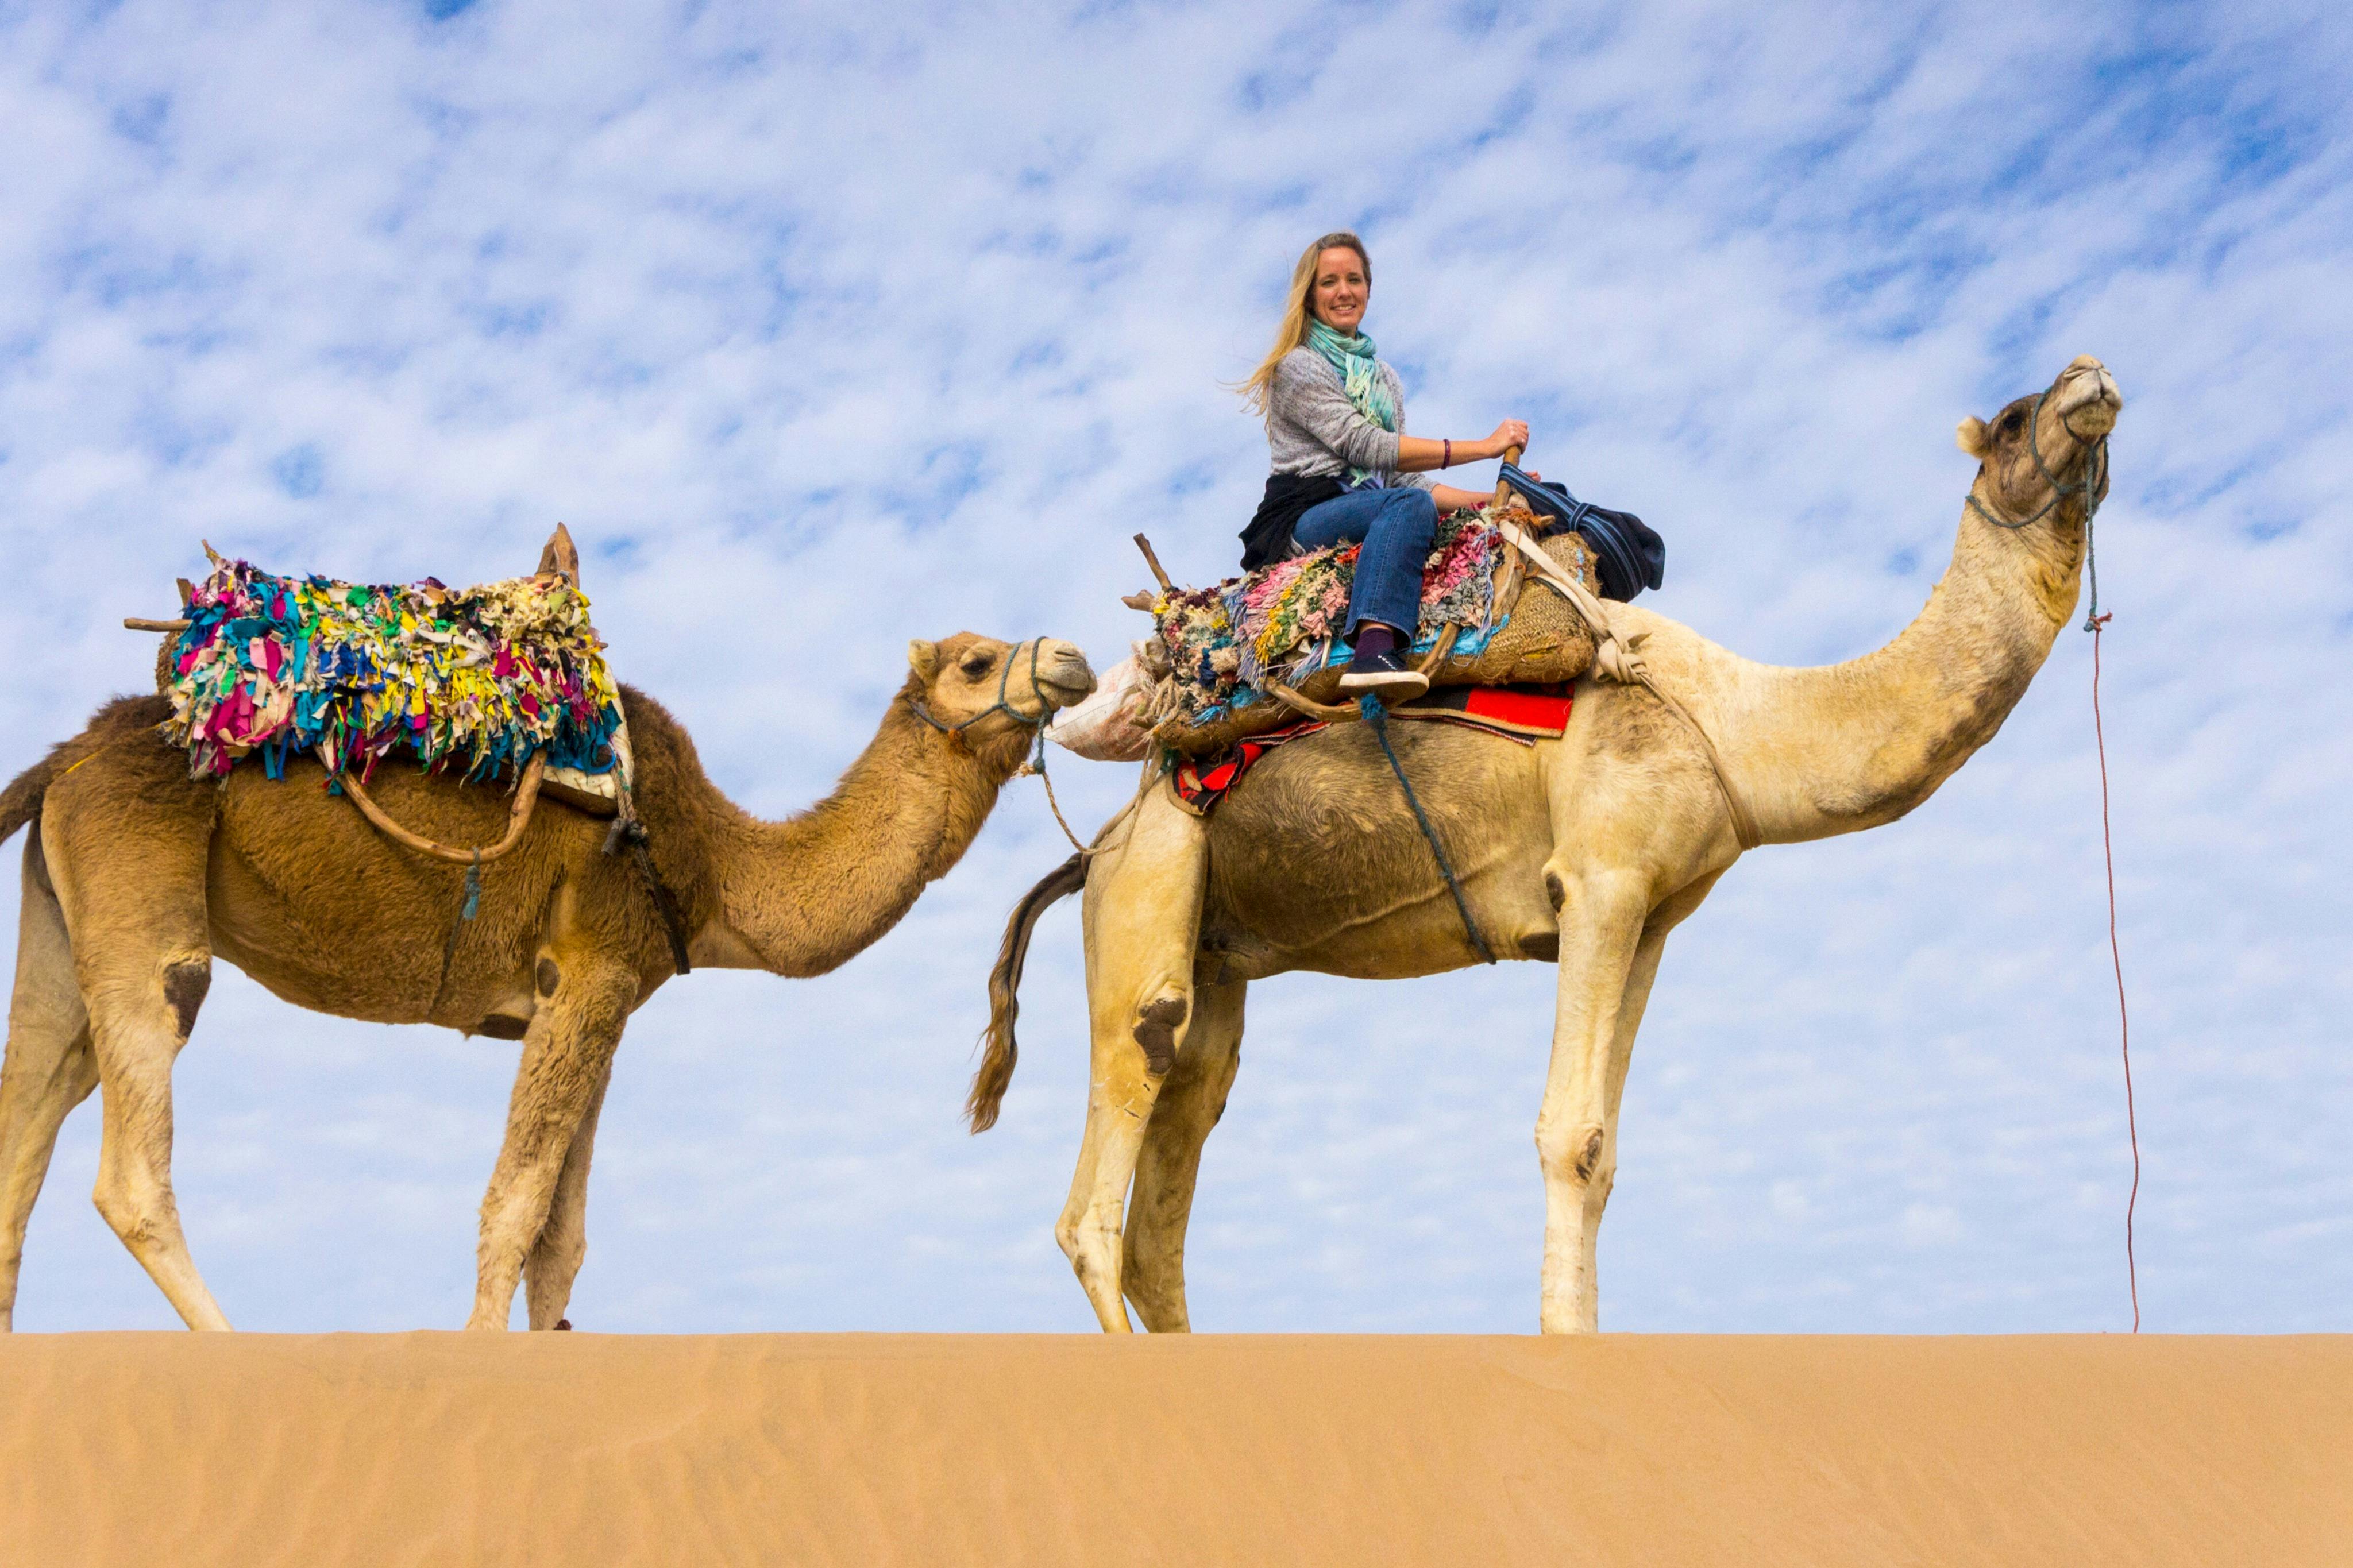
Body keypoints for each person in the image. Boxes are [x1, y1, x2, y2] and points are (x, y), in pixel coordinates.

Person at [1236, 230, 1530, 700]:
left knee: (1420, 504)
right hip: (1309, 509)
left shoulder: (1384, 379)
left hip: (1379, 504)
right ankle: (1372, 649)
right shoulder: (1299, 366)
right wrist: (1485, 447)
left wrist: (1495, 498)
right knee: (1407, 506)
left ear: (1369, 291)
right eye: (1329, 282)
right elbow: (1365, 446)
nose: (1344, 291)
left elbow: (1403, 481)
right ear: (1311, 296)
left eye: (1354, 280)